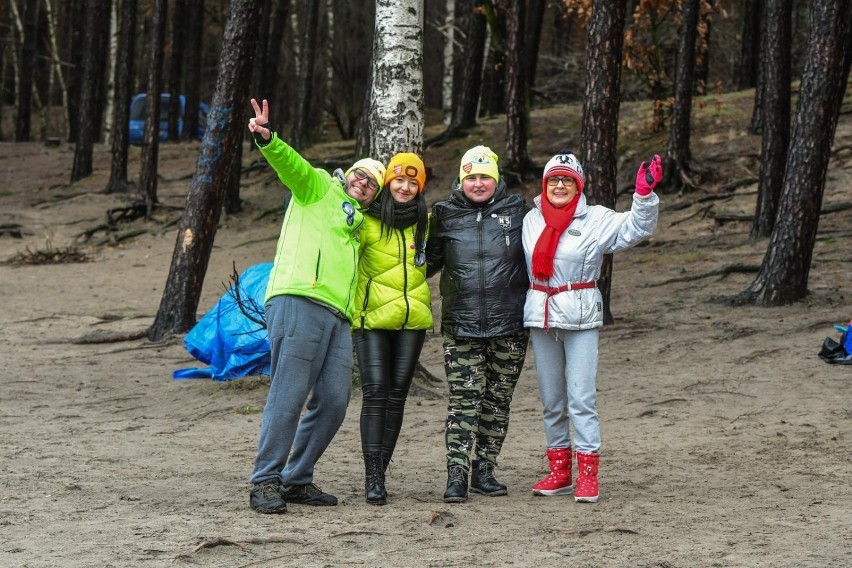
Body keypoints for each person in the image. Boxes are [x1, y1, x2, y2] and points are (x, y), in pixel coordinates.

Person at [246, 98, 386, 514]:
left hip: (338, 316)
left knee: (333, 401)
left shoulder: (359, 223)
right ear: (350, 174)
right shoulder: (320, 187)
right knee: (288, 394)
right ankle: (265, 480)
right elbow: (292, 166)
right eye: (361, 175)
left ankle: (296, 478)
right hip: (298, 300)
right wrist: (268, 138)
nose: (363, 183)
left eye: (372, 183)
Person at [522, 150, 661, 503]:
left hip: (581, 317)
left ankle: (588, 474)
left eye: (567, 179)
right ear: (545, 182)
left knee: (581, 398)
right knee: (552, 401)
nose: (559, 185)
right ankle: (560, 471)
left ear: (578, 184)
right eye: (553, 179)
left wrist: (643, 197)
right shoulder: (531, 219)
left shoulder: (596, 219)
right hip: (542, 316)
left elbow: (636, 228)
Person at [425, 145, 530, 503]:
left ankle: (485, 470)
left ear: (496, 179)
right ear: (461, 179)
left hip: (510, 325)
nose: (479, 183)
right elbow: (425, 263)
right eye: (472, 177)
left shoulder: (518, 211)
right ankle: (456, 474)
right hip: (462, 327)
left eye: (486, 176)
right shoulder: (443, 214)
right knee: (463, 402)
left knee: (498, 401)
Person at [353, 152, 432, 505]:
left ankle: (380, 473)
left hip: (411, 320)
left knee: (398, 393)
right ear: (388, 183)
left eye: (413, 182)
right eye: (399, 180)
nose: (405, 187)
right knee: (375, 392)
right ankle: (372, 474)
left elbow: (435, 258)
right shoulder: (365, 219)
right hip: (371, 320)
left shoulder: (425, 222)